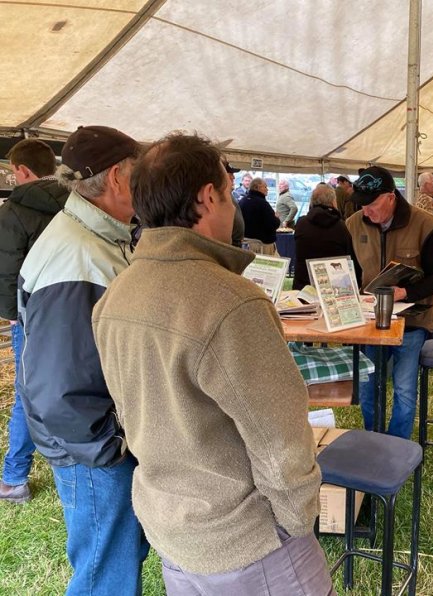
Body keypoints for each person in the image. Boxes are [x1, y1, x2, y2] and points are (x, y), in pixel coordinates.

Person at [92, 132, 331, 594]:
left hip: (171, 527)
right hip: (249, 541)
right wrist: (296, 520)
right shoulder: (230, 301)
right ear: (207, 197)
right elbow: (280, 441)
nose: (232, 206)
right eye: (228, 193)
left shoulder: (117, 293)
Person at [17, 126, 148, 594]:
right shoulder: (77, 254)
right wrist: (110, 447)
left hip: (93, 441)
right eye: (141, 173)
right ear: (117, 177)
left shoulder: (93, 238)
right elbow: (58, 385)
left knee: (114, 560)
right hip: (91, 450)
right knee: (104, 575)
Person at [347, 166, 433, 438]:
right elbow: (351, 269)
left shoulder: (425, 224)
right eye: (361, 204)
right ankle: (374, 438)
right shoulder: (355, 223)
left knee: (404, 388)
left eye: (371, 204)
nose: (365, 211)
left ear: (391, 197)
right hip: (370, 320)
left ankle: (396, 446)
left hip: (411, 321)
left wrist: (405, 293)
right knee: (369, 385)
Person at [0, 139, 67, 504]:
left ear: (23, 171)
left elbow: (7, 270)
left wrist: (11, 314)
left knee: (27, 393)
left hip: (31, 314)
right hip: (75, 312)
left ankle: (14, 477)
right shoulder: (77, 201)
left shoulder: (13, 210)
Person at [293, 183, 359, 290]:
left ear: (312, 202)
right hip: (335, 287)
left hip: (304, 287)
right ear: (333, 202)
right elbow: (350, 257)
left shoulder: (301, 223)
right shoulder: (341, 226)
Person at [239, 177, 280, 252]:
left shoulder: (242, 201)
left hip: (245, 245)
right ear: (257, 187)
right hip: (261, 247)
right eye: (265, 186)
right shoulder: (263, 204)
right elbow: (272, 224)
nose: (267, 189)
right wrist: (276, 218)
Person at [222, 158, 245, 247]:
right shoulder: (221, 195)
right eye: (230, 173)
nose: (233, 177)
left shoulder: (229, 194)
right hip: (229, 245)